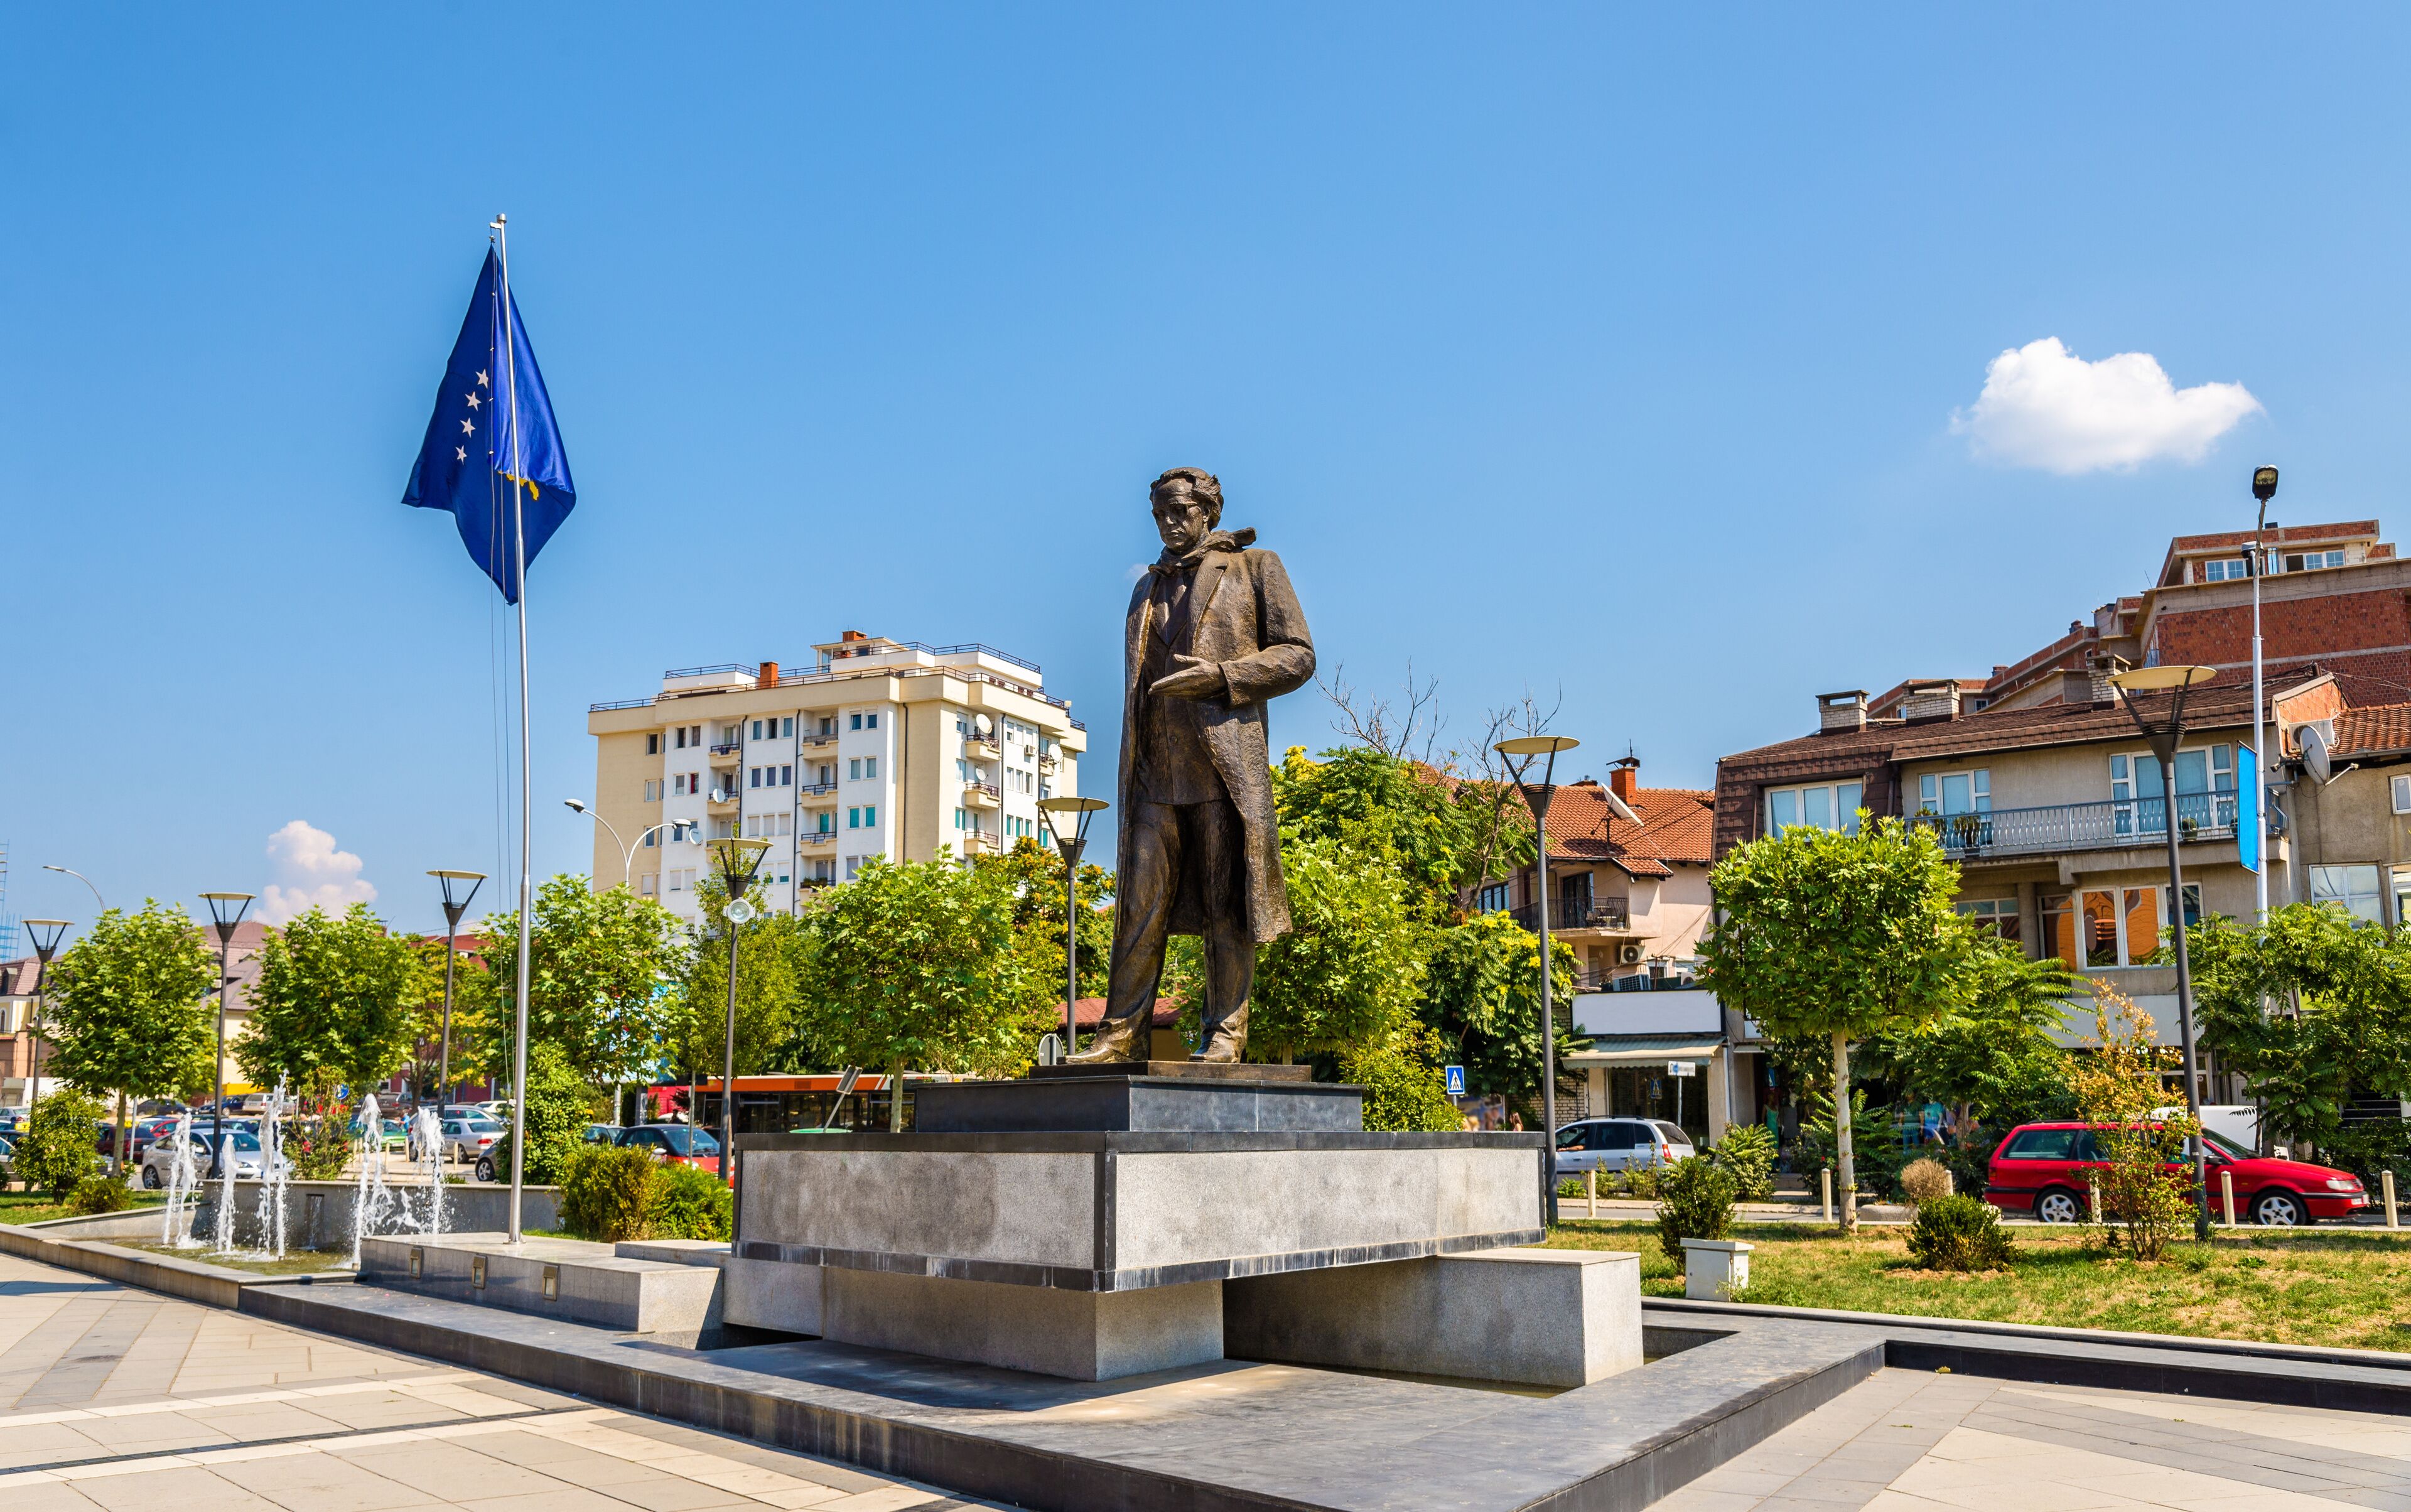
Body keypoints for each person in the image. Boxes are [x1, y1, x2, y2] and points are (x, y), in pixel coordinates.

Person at [1071, 467, 1316, 1064]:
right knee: (1137, 908)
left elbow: (1299, 655)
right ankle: (1120, 1033)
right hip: (1154, 773)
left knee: (1227, 904)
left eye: (1179, 511)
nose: (1169, 523)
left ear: (1208, 510)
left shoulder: (1257, 567)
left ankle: (1225, 1034)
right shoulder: (1146, 589)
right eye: (1159, 514)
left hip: (1222, 771)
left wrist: (1225, 677)